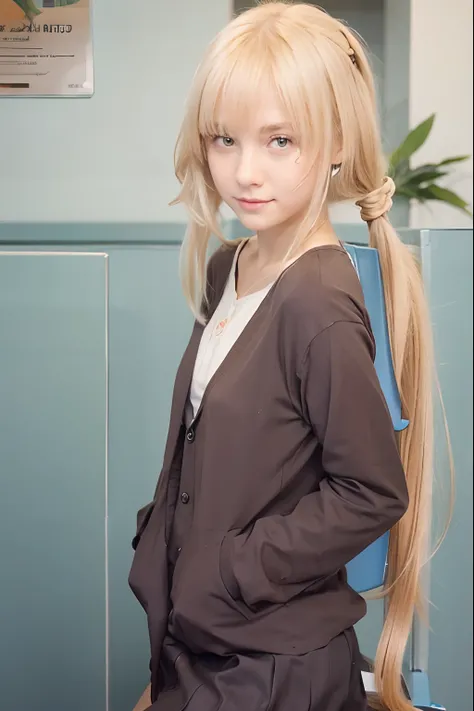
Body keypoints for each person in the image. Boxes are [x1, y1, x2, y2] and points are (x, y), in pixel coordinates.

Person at [129, 2, 440, 709]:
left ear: (334, 143)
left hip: (270, 669)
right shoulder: (229, 267)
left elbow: (372, 491)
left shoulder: (318, 300)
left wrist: (232, 569)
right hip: (197, 641)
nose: (244, 171)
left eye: (280, 141)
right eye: (224, 138)